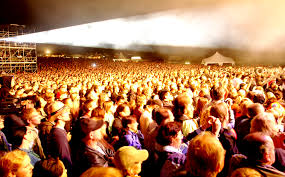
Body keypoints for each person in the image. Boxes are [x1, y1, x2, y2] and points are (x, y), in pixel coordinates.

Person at [46, 101, 72, 176]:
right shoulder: (59, 134)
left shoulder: (59, 131)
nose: (68, 113)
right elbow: (65, 158)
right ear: (59, 116)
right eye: (65, 112)